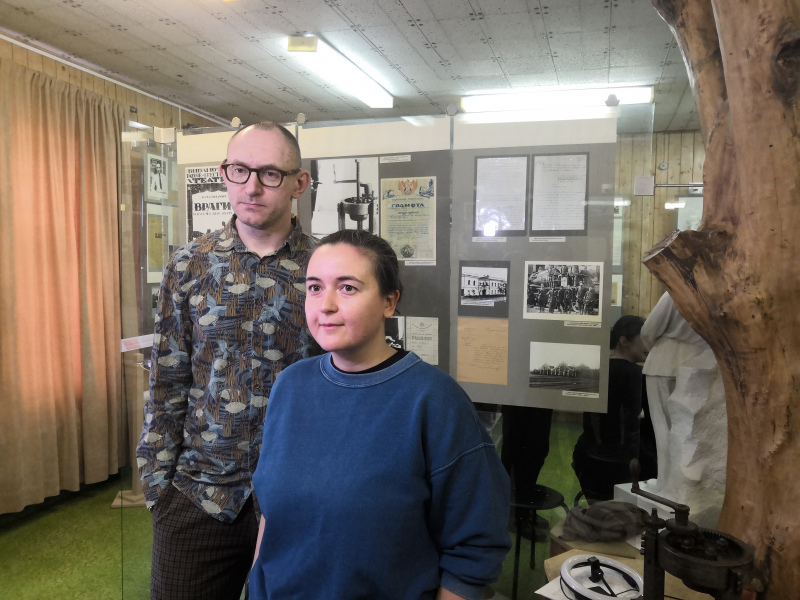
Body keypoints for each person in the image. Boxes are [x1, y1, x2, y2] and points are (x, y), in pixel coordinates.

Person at [249, 230, 511, 600]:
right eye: (315, 288)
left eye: (347, 288)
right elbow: (272, 513)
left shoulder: (434, 400)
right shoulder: (291, 386)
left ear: (390, 301)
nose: (326, 305)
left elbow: (474, 547)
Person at [136, 121, 315, 600]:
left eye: (270, 173)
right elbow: (167, 380)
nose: (251, 187)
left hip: (299, 498)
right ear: (224, 173)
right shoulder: (189, 264)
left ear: (299, 183)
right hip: (199, 495)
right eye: (240, 170)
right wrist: (158, 487)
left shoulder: (324, 271)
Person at [572, 315, 654, 502]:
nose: (648, 345)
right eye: (644, 338)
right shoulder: (639, 376)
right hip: (623, 465)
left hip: (588, 459)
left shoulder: (595, 371)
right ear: (624, 341)